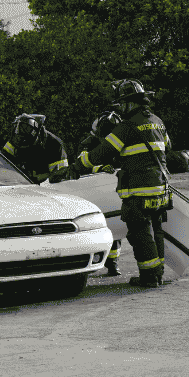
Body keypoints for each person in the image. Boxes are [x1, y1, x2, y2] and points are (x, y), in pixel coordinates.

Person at [68, 80, 172, 288]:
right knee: (156, 230)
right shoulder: (157, 121)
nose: (120, 109)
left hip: (139, 190)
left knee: (139, 233)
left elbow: (101, 153)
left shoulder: (126, 127)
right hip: (161, 189)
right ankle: (158, 272)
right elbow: (167, 147)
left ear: (129, 103)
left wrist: (76, 167)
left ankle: (149, 277)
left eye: (122, 104)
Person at [75, 109, 124, 277]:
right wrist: (100, 169)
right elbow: (81, 164)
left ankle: (113, 263)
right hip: (92, 190)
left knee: (116, 228)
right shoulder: (88, 143)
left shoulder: (121, 140)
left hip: (114, 188)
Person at [2, 113, 69, 184]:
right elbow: (2, 161)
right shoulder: (15, 139)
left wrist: (33, 178)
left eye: (26, 129)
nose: (21, 134)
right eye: (18, 128)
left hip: (43, 190)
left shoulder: (55, 145)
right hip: (15, 184)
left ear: (37, 130)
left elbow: (58, 177)